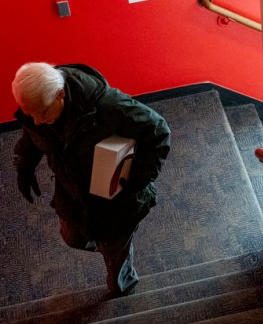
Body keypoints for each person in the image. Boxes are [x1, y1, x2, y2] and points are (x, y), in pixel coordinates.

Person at [11, 62, 171, 296]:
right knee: (72, 238)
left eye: (42, 113)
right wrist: (24, 165)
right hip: (72, 195)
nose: (36, 120)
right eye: (30, 114)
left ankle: (122, 286)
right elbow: (33, 132)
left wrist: (138, 178)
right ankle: (107, 246)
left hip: (116, 201)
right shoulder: (42, 109)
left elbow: (158, 131)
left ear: (61, 94)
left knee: (116, 254)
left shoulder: (108, 107)